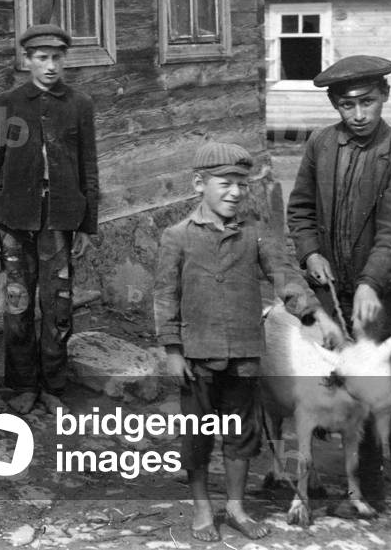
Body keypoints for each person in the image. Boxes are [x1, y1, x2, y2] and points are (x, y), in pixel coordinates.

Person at [287, 55, 391, 545]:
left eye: (367, 102)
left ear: (384, 98)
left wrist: (373, 282)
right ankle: (369, 491)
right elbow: (301, 208)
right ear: (336, 105)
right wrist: (311, 251)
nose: (358, 114)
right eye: (347, 105)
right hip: (335, 289)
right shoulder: (319, 143)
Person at [154, 142, 322, 542]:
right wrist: (172, 350)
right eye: (224, 183)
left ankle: (235, 506)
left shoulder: (256, 235)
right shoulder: (176, 237)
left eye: (241, 185)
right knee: (197, 434)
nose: (234, 192)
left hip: (246, 356)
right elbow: (165, 296)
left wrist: (312, 315)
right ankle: (201, 509)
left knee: (242, 434)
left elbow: (284, 276)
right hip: (197, 356)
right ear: (199, 184)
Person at [0, 24, 98, 415]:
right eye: (42, 58)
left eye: (57, 58)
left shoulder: (79, 105)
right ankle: (22, 385)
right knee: (17, 304)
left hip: (60, 219)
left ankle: (54, 385)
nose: (50, 66)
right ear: (26, 60)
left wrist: (85, 223)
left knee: (58, 305)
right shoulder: (8, 104)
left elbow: (89, 167)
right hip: (13, 218)